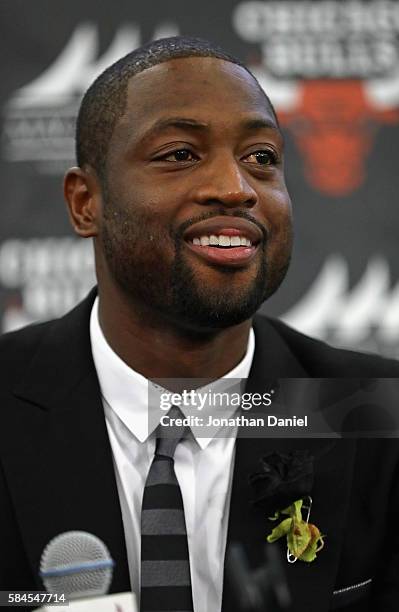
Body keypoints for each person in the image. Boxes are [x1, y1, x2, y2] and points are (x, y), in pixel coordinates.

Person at [0, 36, 398, 612]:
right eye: (180, 154)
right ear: (86, 202)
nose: (235, 188)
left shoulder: (375, 417)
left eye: (260, 157)